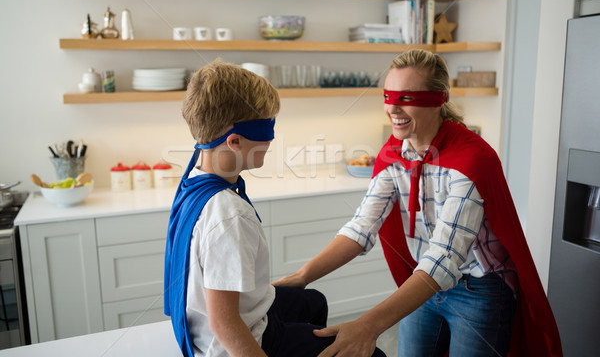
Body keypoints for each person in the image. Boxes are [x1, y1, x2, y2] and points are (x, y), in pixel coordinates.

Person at [273, 49, 563, 357]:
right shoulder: (393, 154)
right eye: (389, 95)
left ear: (440, 98)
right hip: (423, 281)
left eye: (407, 97)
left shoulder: (472, 160)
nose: (393, 108)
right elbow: (362, 227)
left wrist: (368, 326)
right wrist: (301, 277)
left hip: (480, 289)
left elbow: (443, 257)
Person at [163, 60, 386, 357]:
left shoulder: (194, 180)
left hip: (213, 318)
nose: (272, 138)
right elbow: (224, 322)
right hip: (237, 341)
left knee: (313, 302)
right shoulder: (229, 214)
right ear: (235, 141)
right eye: (268, 128)